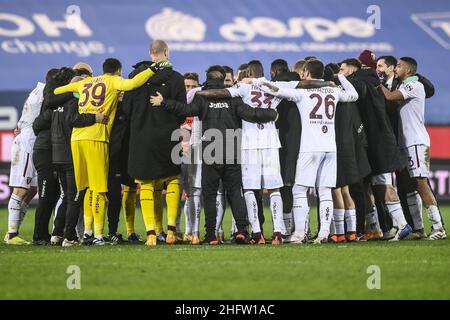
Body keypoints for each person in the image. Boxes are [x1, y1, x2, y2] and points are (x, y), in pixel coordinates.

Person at [150, 66, 279, 244]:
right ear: (222, 79)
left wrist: (164, 102)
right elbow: (250, 113)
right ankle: (242, 230)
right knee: (235, 193)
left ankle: (211, 235)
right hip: (232, 151)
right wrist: (272, 114)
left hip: (210, 152)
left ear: (207, 79)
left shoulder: (202, 98)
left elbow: (184, 110)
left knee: (210, 195)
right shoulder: (232, 97)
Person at [53, 57, 164, 245]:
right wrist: (154, 68)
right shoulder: (113, 81)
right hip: (97, 137)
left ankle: (87, 232)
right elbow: (134, 82)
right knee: (98, 188)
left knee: (85, 187)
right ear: (118, 71)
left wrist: (74, 87)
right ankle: (97, 235)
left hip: (76, 139)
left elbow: (57, 91)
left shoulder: (86, 82)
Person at [257, 59, 359, 244]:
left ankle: (299, 233)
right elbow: (354, 95)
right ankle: (323, 234)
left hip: (310, 148)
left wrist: (256, 81)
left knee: (299, 190)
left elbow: (274, 89)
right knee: (325, 190)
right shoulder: (334, 91)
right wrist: (340, 77)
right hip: (330, 148)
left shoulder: (302, 93)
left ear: (306, 73)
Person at [340, 57, 413, 241]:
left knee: (382, 184)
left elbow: (359, 88)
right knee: (369, 186)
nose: (341, 73)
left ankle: (403, 224)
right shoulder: (369, 80)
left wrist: (335, 79)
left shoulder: (364, 80)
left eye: (342, 69)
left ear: (353, 68)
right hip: (373, 143)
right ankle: (376, 228)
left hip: (380, 142)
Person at [122, 40, 186, 246]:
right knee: (172, 179)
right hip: (168, 135)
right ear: (166, 52)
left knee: (147, 183)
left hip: (141, 137)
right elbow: (182, 111)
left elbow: (126, 111)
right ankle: (169, 231)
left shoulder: (135, 78)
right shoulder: (176, 78)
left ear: (151, 54)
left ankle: (151, 234)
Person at [379, 57, 446, 240]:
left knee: (421, 183)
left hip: (416, 141)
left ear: (408, 71)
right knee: (411, 186)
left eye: (399, 66)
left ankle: (438, 227)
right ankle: (418, 229)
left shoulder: (414, 85)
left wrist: (377, 84)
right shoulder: (404, 86)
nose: (396, 68)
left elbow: (390, 97)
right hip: (406, 142)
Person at [32, 67, 75, 245]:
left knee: (56, 194)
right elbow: (37, 125)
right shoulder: (54, 104)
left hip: (53, 151)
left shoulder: (55, 102)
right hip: (45, 151)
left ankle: (52, 233)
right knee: (46, 196)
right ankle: (39, 236)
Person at [4, 74, 49, 245]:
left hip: (30, 140)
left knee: (31, 189)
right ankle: (11, 234)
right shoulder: (45, 92)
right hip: (28, 143)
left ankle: (13, 232)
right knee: (21, 188)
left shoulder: (37, 90)